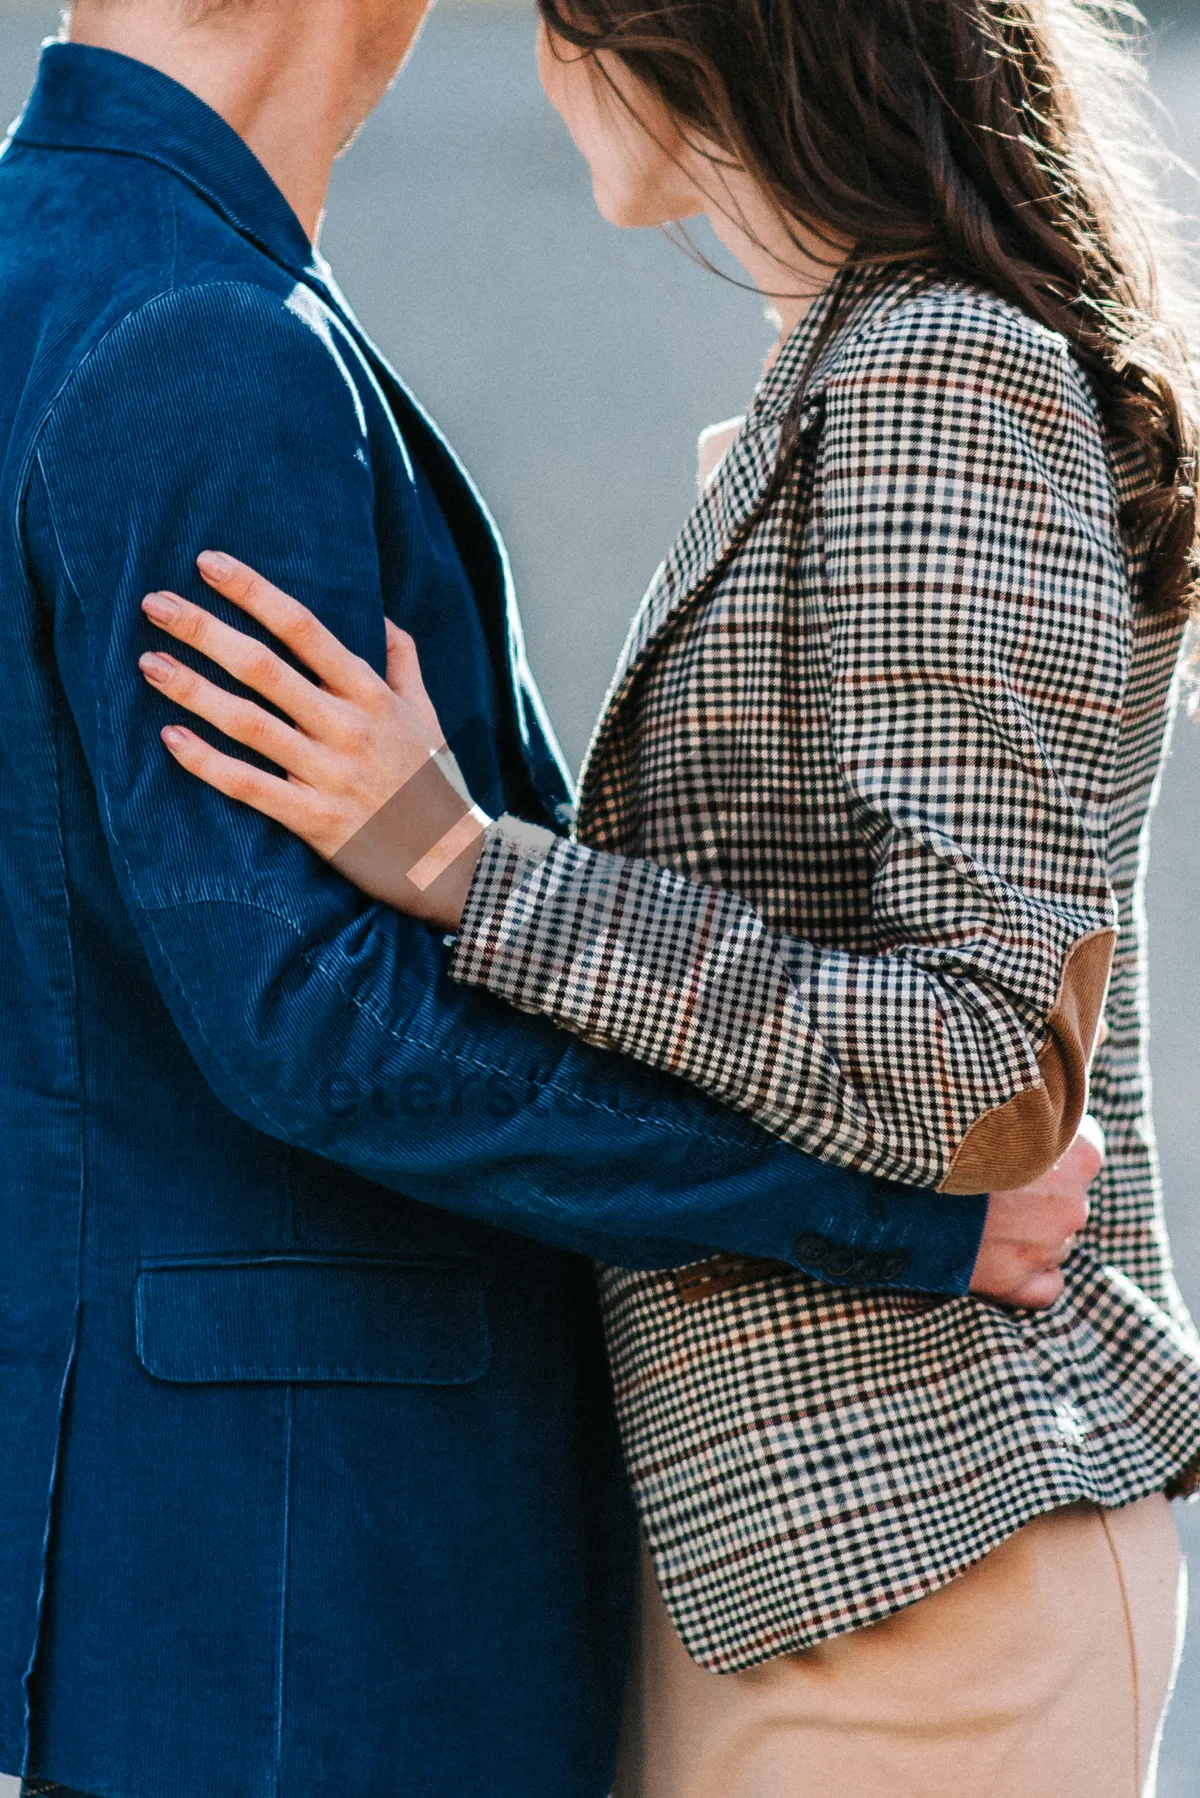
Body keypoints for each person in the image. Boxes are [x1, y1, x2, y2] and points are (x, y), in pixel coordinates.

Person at [0, 2, 1093, 1797]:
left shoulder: (59, 270)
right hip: (309, 1593)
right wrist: (886, 1205)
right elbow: (325, 1019)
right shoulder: (202, 335)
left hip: (183, 1577)